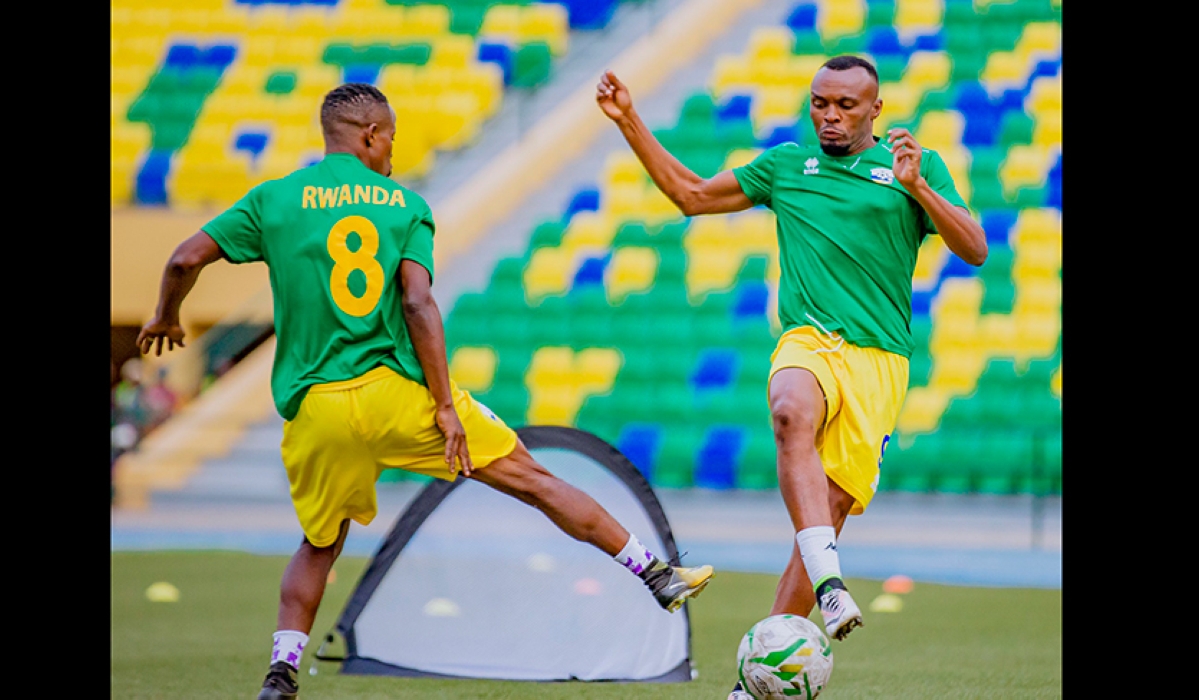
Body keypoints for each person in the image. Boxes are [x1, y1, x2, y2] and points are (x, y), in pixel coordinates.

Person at [136, 82, 715, 700]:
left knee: (320, 543)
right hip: (396, 396)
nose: (391, 151)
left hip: (316, 408)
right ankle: (653, 574)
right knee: (533, 477)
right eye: (389, 138)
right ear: (369, 136)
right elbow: (416, 300)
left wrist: (169, 315)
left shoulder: (273, 200)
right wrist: (443, 403)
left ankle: (281, 672)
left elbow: (182, 259)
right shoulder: (402, 205)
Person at [596, 55, 987, 698]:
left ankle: (753, 686)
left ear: (876, 111)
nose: (829, 116)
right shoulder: (785, 165)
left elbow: (973, 248)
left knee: (826, 515)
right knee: (788, 407)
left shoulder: (915, 165)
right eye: (819, 103)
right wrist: (631, 120)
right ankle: (831, 585)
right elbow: (691, 196)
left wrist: (918, 187)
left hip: (879, 360)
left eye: (845, 106)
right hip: (809, 339)